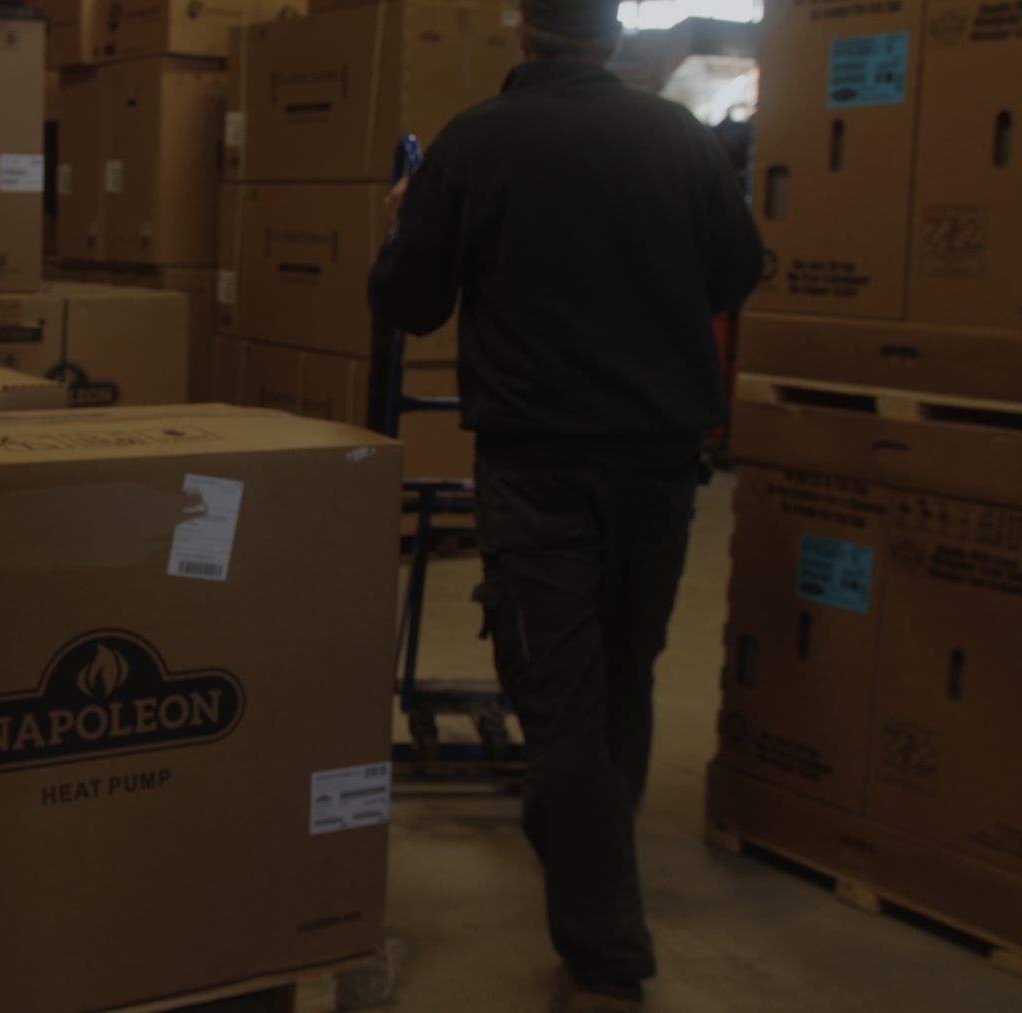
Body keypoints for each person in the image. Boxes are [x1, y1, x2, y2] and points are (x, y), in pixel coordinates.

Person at [367, 0, 764, 1009]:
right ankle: (583, 844)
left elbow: (409, 302)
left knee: (558, 692)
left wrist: (401, 221)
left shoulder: (476, 142)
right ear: (617, 38)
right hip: (662, 460)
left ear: (519, 29)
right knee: (621, 668)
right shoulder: (675, 136)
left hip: (539, 459)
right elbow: (735, 271)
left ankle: (606, 954)